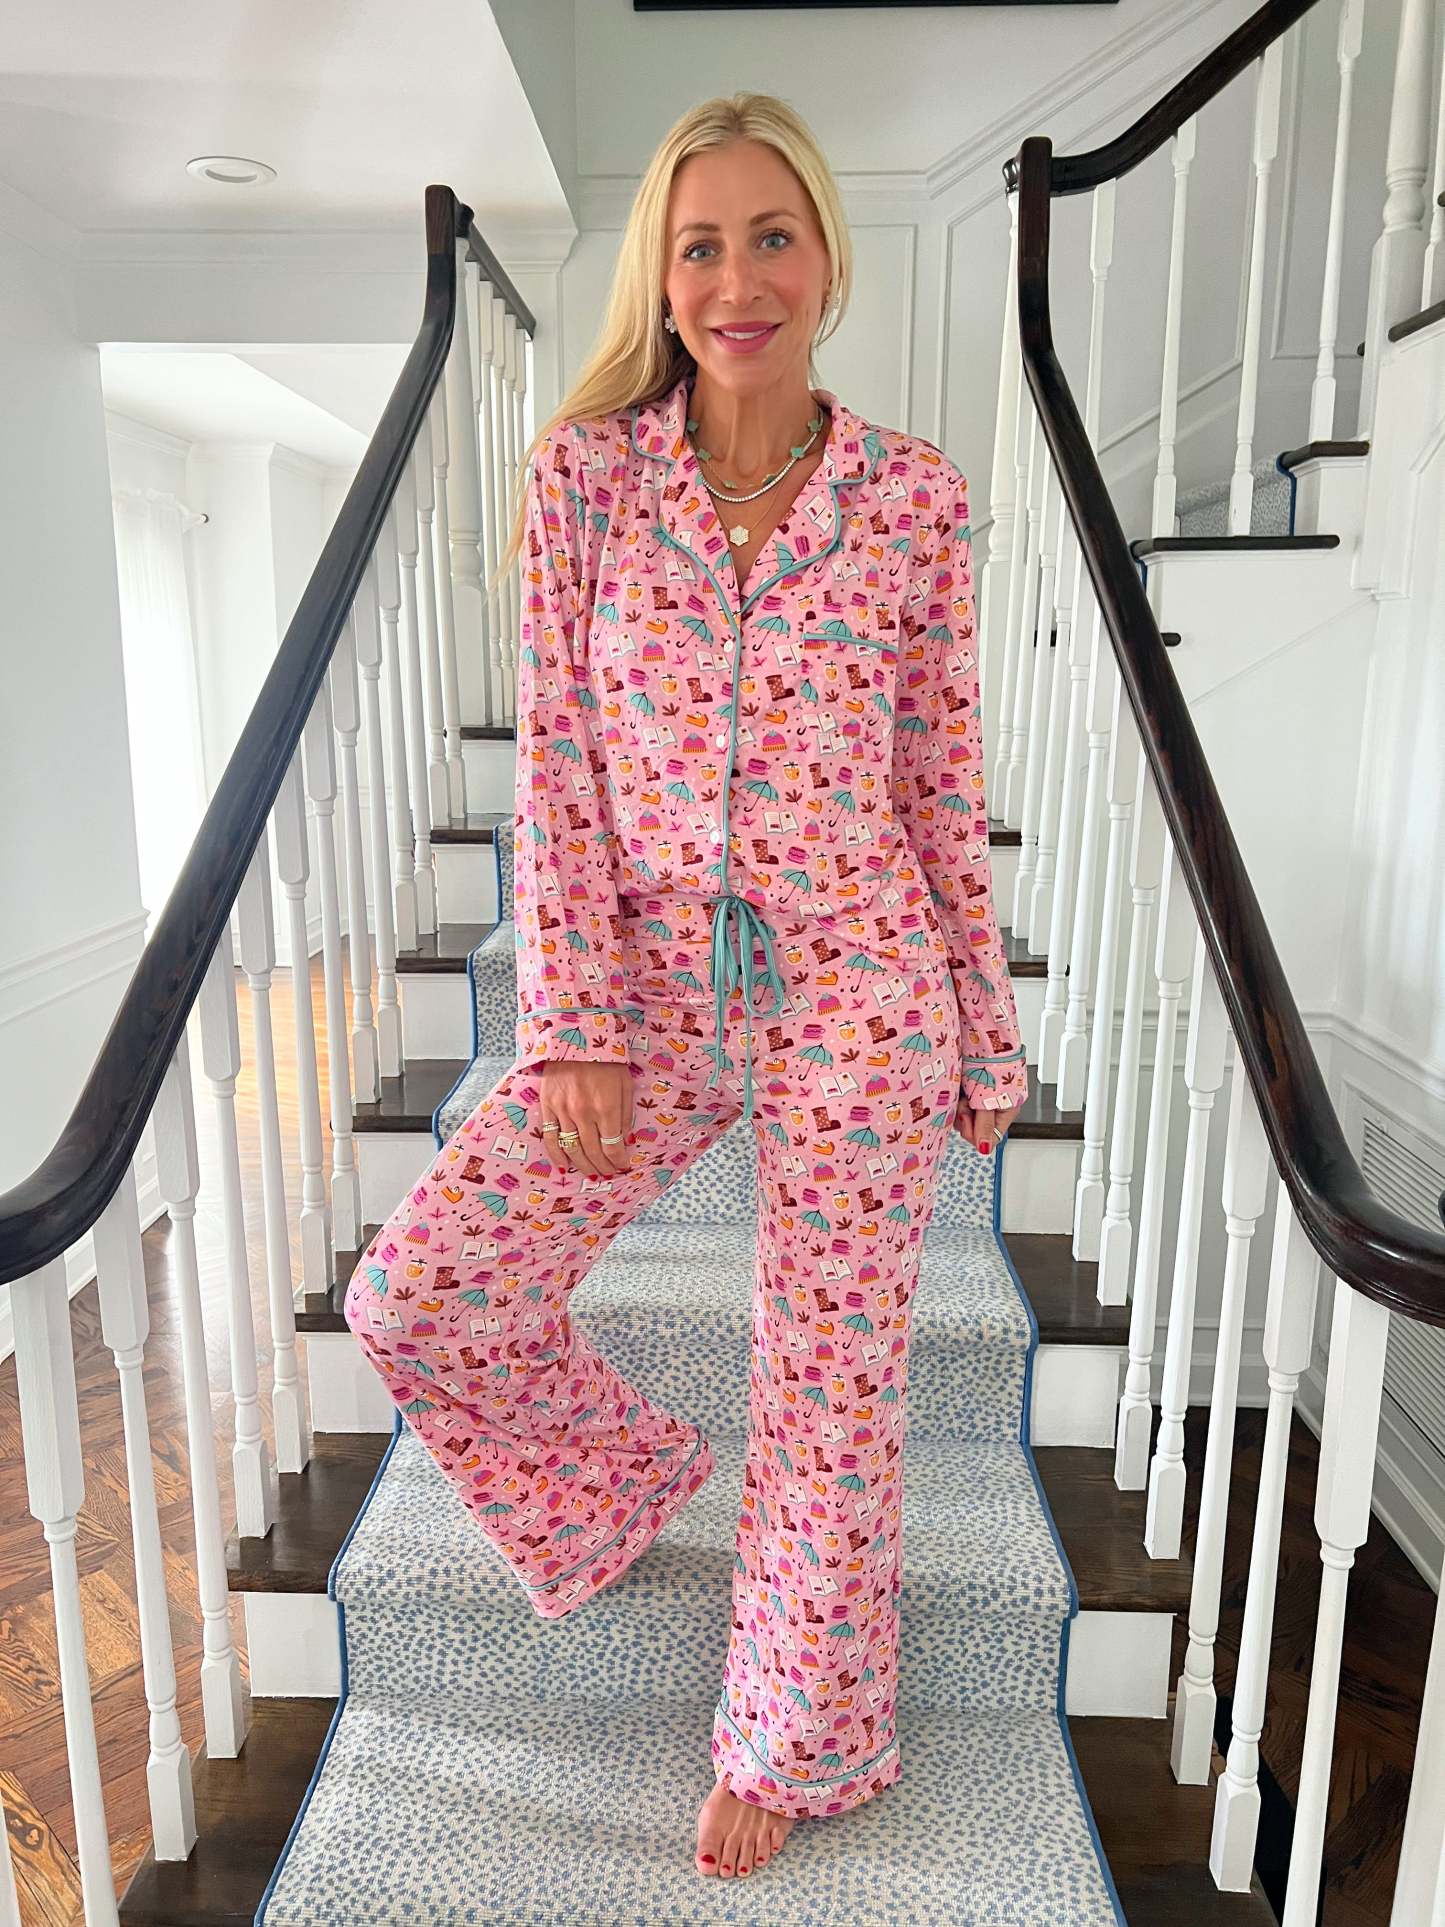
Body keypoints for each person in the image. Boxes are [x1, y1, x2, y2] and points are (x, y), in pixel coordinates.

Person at [344, 89, 1027, 1886]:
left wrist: (982, 1026)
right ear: (660, 273)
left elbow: (936, 776)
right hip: (639, 981)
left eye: (769, 237)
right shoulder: (587, 480)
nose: (737, 280)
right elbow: (559, 766)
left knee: (828, 1381)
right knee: (417, 1293)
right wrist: (567, 1017)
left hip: (857, 981)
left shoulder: (909, 500)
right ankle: (613, 1483)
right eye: (700, 243)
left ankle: (794, 1733)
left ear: (826, 261)